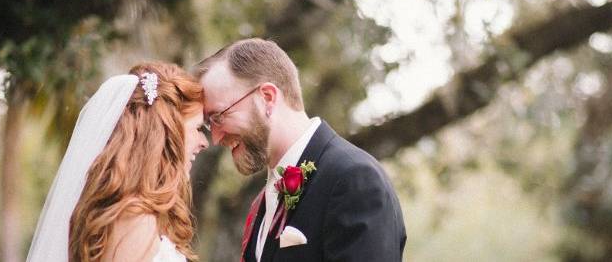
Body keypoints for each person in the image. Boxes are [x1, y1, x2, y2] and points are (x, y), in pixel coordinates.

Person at [195, 38, 406, 262]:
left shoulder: (355, 180)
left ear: (267, 98)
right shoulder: (262, 201)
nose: (216, 138)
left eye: (218, 117)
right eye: (210, 124)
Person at [26, 62, 209, 262]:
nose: (204, 142)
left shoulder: (128, 211)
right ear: (168, 130)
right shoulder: (135, 220)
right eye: (198, 128)